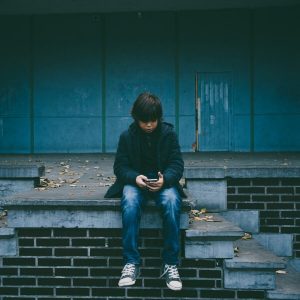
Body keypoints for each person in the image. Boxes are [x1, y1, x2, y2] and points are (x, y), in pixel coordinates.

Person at [105, 92, 185, 291]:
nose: (149, 125)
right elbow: (120, 166)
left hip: (163, 182)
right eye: (144, 121)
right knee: (130, 201)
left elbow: (177, 164)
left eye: (153, 120)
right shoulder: (126, 137)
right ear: (136, 118)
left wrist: (165, 179)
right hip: (136, 181)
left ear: (158, 118)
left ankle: (170, 264)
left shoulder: (169, 135)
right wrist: (134, 178)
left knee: (172, 202)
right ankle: (130, 263)